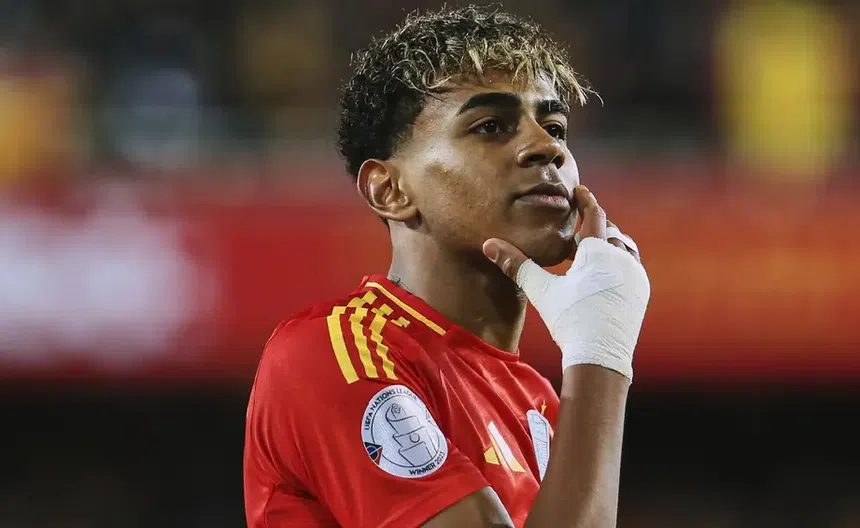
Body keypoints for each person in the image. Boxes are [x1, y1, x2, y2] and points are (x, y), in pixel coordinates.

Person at [243, 5, 650, 527]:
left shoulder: (540, 406)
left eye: (555, 126)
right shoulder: (333, 354)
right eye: (490, 127)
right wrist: (601, 358)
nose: (546, 147)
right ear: (390, 190)